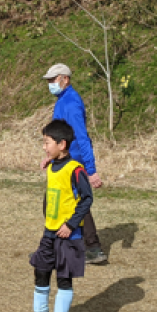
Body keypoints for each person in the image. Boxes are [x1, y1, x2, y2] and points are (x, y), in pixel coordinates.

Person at [19, 120, 93, 312]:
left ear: (62, 144)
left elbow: (87, 199)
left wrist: (70, 224)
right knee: (40, 269)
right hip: (49, 231)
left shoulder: (75, 170)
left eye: (47, 142)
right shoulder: (52, 166)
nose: (44, 147)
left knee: (63, 278)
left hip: (69, 235)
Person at [42, 63, 107, 264]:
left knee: (64, 203)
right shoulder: (62, 101)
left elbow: (82, 137)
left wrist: (91, 170)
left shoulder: (71, 104)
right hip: (63, 160)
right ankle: (85, 246)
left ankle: (89, 248)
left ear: (65, 79)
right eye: (49, 81)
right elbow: (57, 135)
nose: (51, 84)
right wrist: (50, 155)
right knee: (58, 202)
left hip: (73, 162)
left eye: (53, 80)